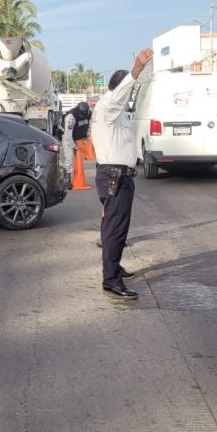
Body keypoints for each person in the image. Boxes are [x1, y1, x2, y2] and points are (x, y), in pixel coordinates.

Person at [91, 48, 153, 299]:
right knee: (115, 229)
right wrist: (136, 70)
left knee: (114, 226)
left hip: (116, 177)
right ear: (118, 89)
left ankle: (113, 267)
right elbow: (120, 97)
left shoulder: (109, 110)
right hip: (114, 178)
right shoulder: (110, 105)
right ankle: (111, 279)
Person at [61, 101, 91, 187]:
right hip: (68, 138)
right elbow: (68, 135)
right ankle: (67, 180)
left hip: (78, 138)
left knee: (79, 159)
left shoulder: (88, 114)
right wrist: (74, 146)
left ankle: (78, 179)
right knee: (69, 158)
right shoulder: (71, 117)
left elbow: (88, 126)